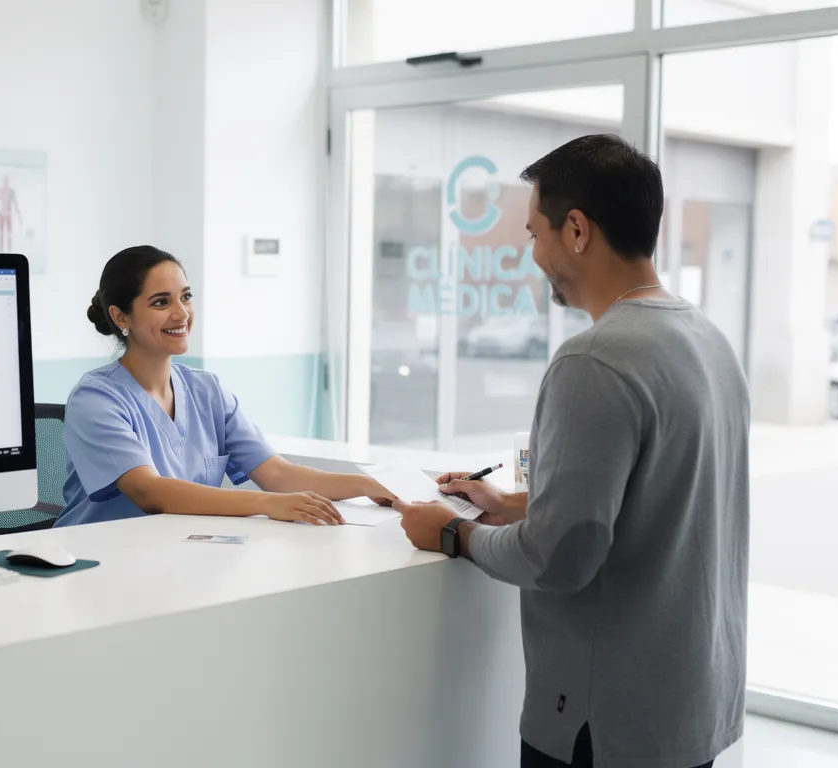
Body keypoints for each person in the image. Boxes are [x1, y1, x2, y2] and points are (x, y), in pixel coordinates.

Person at [392, 135, 748, 768]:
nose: (533, 253)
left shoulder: (595, 358)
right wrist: (517, 504)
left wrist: (452, 534)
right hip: (690, 704)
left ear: (577, 230)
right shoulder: (709, 341)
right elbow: (656, 496)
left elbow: (560, 559)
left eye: (535, 233)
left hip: (606, 722)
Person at [56, 245, 392, 528]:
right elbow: (150, 492)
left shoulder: (207, 391)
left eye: (185, 297)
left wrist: (367, 485)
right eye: (161, 302)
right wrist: (267, 504)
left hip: (179, 555)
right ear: (121, 317)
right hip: (101, 560)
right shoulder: (96, 399)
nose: (181, 313)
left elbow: (276, 473)